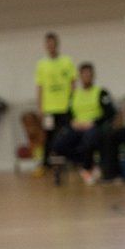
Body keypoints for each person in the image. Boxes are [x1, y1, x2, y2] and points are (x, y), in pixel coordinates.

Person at [50, 62, 115, 185]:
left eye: (89, 74)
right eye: (84, 75)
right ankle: (83, 163)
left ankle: (87, 167)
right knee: (58, 144)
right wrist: (72, 122)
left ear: (93, 76)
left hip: (93, 126)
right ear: (80, 76)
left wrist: (94, 122)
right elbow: (68, 114)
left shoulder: (101, 92)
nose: (86, 77)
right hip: (77, 127)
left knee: (89, 139)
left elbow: (110, 113)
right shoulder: (74, 94)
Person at [34, 32, 77, 173]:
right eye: (48, 44)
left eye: (53, 43)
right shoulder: (42, 64)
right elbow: (39, 87)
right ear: (45, 46)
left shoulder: (67, 61)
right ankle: (47, 163)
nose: (50, 46)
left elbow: (73, 83)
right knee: (49, 135)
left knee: (66, 135)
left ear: (56, 44)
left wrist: (73, 103)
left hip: (64, 107)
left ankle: (67, 161)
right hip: (49, 108)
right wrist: (40, 107)